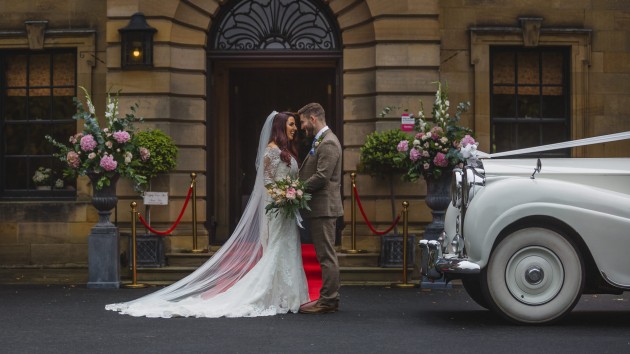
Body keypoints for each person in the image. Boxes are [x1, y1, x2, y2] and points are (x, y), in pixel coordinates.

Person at [105, 111, 310, 318]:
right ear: (280, 126)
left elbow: (286, 180)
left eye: (295, 125)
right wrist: (283, 196)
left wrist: (292, 192)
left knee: (288, 248)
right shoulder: (272, 151)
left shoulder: (287, 151)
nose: (295, 128)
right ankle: (267, 294)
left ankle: (287, 296)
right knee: (276, 250)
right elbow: (267, 182)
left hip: (287, 210)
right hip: (277, 209)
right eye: (291, 124)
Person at [297, 103, 343, 314]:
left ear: (313, 119)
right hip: (320, 208)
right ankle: (327, 298)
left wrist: (296, 190)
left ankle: (329, 300)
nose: (302, 126)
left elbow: (323, 177)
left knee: (326, 256)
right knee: (324, 255)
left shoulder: (329, 143)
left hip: (324, 208)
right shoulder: (322, 140)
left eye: (303, 122)